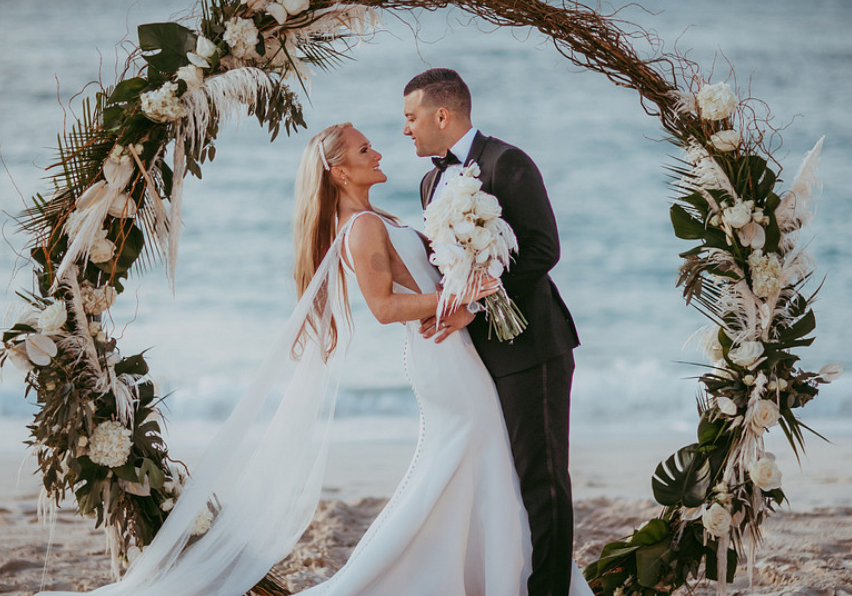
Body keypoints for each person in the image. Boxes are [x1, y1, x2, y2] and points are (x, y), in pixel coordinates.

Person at [35, 123, 592, 596]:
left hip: (452, 352)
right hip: (441, 361)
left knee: (479, 466)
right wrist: (468, 294)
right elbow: (383, 307)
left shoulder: (382, 219)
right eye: (364, 151)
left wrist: (466, 292)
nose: (378, 153)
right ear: (340, 173)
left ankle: (490, 574)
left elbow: (427, 282)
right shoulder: (363, 228)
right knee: (470, 460)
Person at [403, 68, 581, 596]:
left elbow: (544, 249)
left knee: (543, 480)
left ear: (442, 114)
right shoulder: (430, 182)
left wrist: (476, 307)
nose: (405, 129)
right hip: (477, 357)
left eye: (410, 118)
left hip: (532, 348)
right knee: (497, 481)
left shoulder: (508, 163)